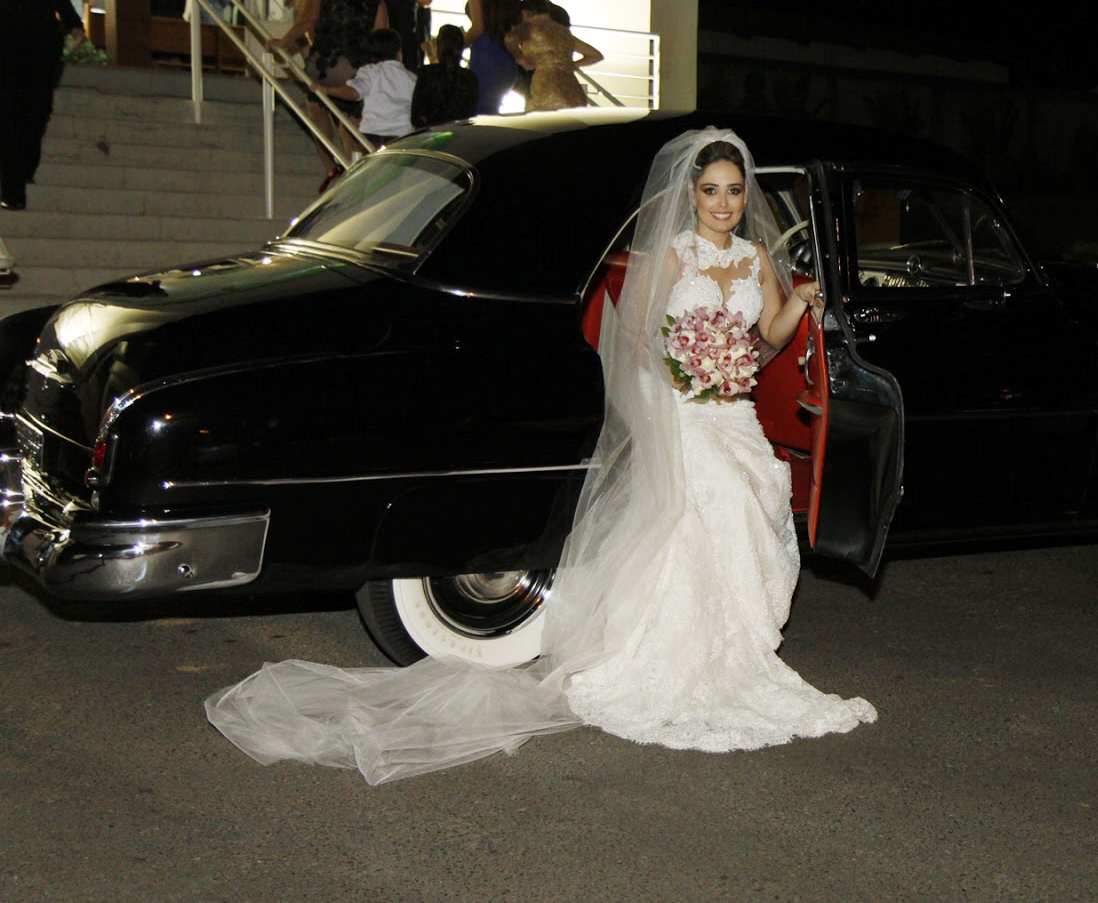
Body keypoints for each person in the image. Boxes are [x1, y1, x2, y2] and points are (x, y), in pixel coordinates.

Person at [204, 127, 876, 784]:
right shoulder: (672, 256)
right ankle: (674, 656)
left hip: (735, 413)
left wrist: (799, 305)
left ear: (745, 194)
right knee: (707, 513)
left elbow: (768, 335)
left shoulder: (757, 258)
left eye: (733, 190)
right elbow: (635, 337)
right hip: (685, 414)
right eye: (711, 190)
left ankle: (734, 649)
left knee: (747, 516)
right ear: (691, 195)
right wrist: (682, 372)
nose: (723, 203)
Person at [0, 0, 86, 219]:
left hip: (39, 39)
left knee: (36, 112)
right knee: (7, 111)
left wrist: (74, 22)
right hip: (3, 40)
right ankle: (12, 188)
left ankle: (21, 171)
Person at [273, 0, 387, 177]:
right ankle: (354, 174)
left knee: (317, 106)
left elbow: (307, 19)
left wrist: (283, 42)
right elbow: (382, 33)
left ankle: (330, 168)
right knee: (352, 124)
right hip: (360, 69)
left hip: (328, 63)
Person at [504, 0, 603, 110]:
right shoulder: (563, 32)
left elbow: (510, 38)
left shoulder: (531, 27)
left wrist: (521, 59)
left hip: (547, 88)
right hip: (573, 90)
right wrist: (572, 65)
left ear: (525, 13)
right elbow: (596, 55)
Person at [321, 28, 416, 146]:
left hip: (373, 135)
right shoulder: (412, 78)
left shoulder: (371, 71)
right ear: (399, 51)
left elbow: (355, 92)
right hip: (403, 136)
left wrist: (327, 90)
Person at [463, 0, 520, 115]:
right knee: (493, 113)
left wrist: (458, 43)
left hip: (485, 57)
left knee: (477, 113)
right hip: (506, 60)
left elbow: (478, 27)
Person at [410, 24, 477, 128]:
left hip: (430, 134)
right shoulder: (470, 78)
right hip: (460, 134)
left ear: (438, 46)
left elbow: (415, 116)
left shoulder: (426, 73)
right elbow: (471, 114)